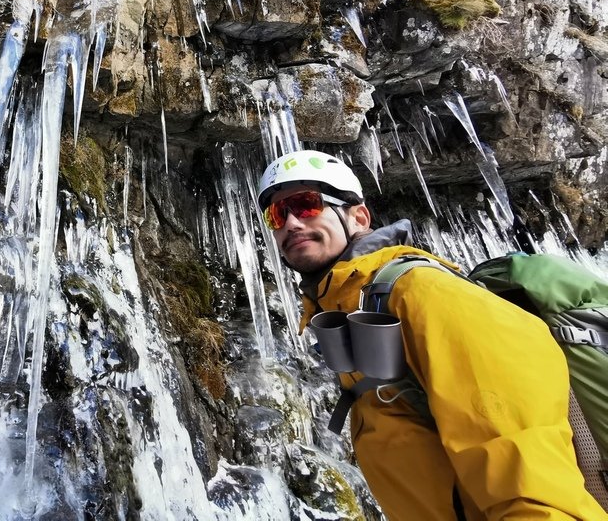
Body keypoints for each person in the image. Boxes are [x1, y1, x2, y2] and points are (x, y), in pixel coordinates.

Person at [256, 149, 607, 521]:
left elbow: (524, 468)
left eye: (306, 204)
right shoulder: (352, 311)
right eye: (276, 214)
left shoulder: (421, 291)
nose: (291, 222)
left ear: (358, 216)